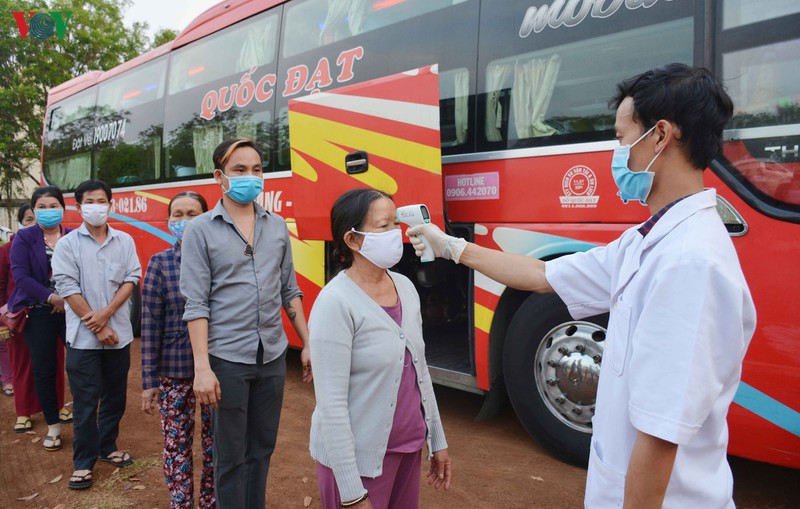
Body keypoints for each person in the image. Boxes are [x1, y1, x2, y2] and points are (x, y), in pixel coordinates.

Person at [408, 63, 756, 509]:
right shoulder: (647, 239)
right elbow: (542, 276)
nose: (617, 153)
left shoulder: (690, 263)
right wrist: (451, 247)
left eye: (622, 138)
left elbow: (660, 434)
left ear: (660, 136)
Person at [180, 138, 312, 508]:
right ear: (219, 176)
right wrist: (202, 367)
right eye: (239, 170)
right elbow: (196, 303)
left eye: (256, 169)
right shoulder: (200, 230)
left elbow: (289, 289)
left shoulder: (276, 225)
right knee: (230, 456)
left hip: (271, 356)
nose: (250, 177)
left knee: (262, 449)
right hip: (227, 360)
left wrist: (308, 343)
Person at [309, 189, 451, 509]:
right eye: (383, 226)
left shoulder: (406, 288)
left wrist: (436, 441)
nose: (395, 233)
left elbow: (420, 372)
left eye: (395, 224)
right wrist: (352, 493)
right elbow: (332, 406)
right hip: (357, 465)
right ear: (353, 240)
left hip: (408, 449)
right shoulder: (335, 303)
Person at [52, 179, 142, 490]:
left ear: (110, 205)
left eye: (101, 201)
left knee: (115, 396)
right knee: (86, 401)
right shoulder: (67, 244)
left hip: (119, 336)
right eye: (89, 201)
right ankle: (83, 462)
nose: (96, 207)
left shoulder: (124, 241)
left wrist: (107, 313)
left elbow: (131, 278)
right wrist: (99, 326)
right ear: (78, 207)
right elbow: (67, 287)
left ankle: (107, 446)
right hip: (83, 339)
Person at [141, 191, 215, 509]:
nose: (184, 221)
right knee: (176, 445)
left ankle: (211, 502)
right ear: (168, 220)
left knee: (216, 445)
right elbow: (149, 324)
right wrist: (149, 382)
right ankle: (181, 503)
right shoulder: (160, 263)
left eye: (192, 214)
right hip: (174, 371)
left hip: (216, 371)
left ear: (206, 219)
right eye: (178, 214)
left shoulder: (219, 261)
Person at [8, 188, 74, 450]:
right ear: (34, 210)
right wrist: (51, 298)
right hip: (38, 312)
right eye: (42, 206)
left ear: (63, 208)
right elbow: (21, 277)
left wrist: (67, 300)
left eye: (54, 205)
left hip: (73, 311)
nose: (48, 211)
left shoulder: (73, 236)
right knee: (44, 370)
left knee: (81, 365)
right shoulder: (24, 238)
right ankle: (53, 426)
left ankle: (85, 422)